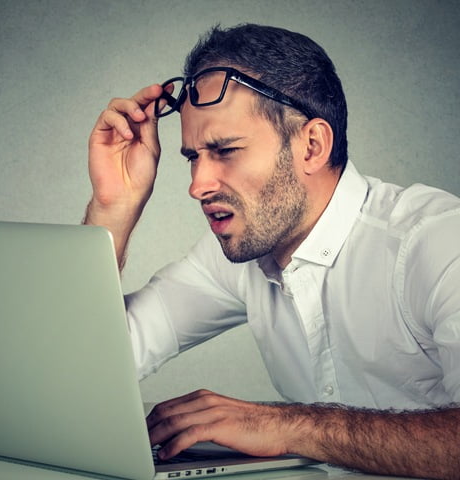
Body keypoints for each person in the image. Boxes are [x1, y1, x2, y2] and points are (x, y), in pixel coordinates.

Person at [83, 24, 460, 479]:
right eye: (192, 156)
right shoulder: (239, 253)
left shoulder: (436, 241)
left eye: (225, 150)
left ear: (312, 145)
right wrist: (112, 209)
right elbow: (83, 366)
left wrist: (289, 425)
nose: (197, 185)